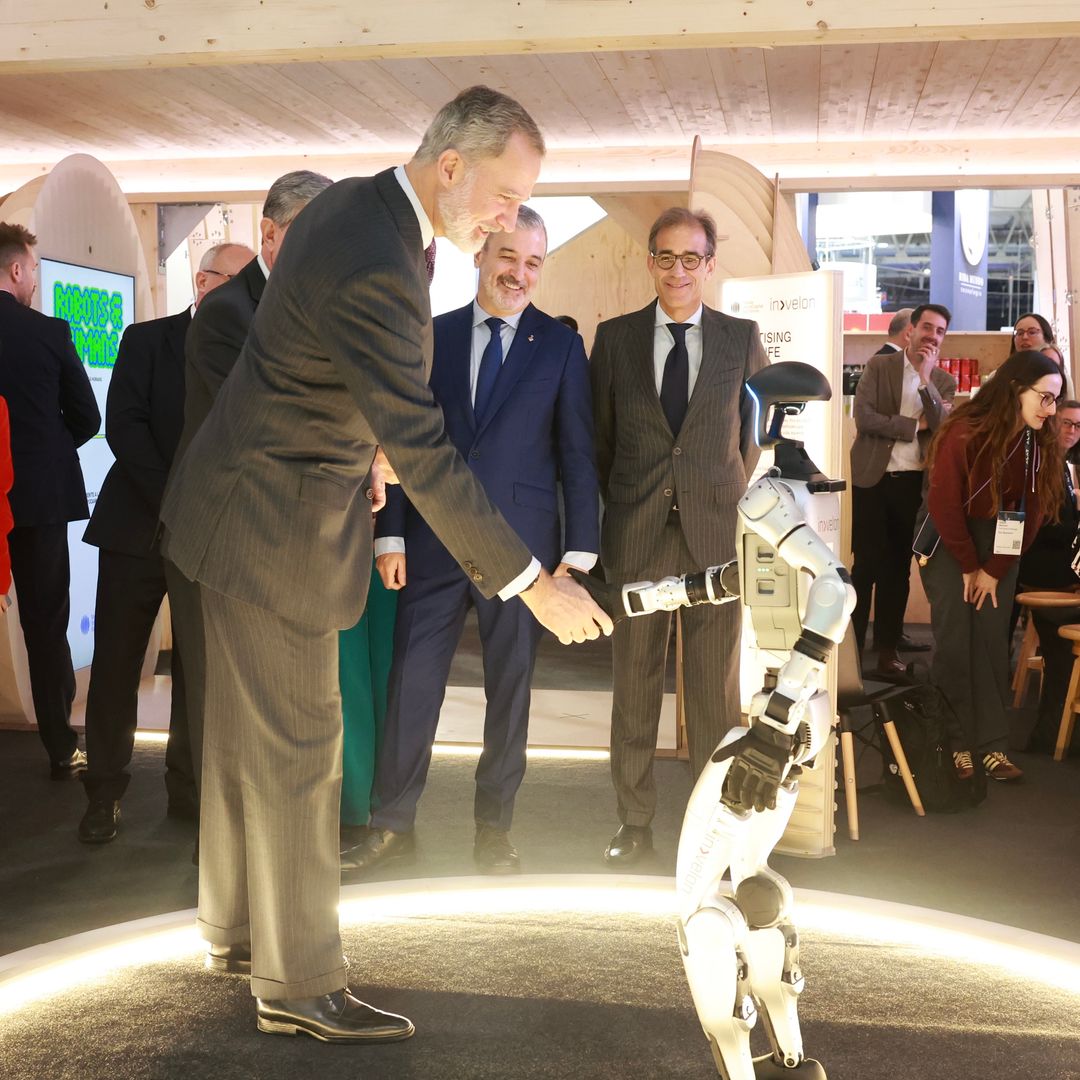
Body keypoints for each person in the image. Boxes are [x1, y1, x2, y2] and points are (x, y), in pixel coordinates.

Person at [159, 86, 612, 1042]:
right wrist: (532, 582)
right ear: (451, 166)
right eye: (503, 195)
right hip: (270, 526)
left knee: (244, 742)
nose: (507, 218)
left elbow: (317, 369)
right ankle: (299, 984)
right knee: (298, 749)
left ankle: (235, 930)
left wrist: (362, 457)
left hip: (240, 503)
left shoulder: (361, 209)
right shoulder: (378, 254)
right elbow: (426, 443)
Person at [353, 207, 599, 875]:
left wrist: (576, 559)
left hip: (524, 556)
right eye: (508, 258)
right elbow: (403, 443)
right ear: (480, 257)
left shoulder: (559, 346)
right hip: (432, 543)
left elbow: (577, 453)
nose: (519, 274)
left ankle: (495, 828)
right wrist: (390, 536)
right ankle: (391, 822)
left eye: (532, 263)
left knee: (509, 690)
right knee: (412, 683)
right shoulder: (433, 336)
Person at [590, 206, 767, 866]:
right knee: (634, 684)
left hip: (715, 538)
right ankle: (634, 822)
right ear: (650, 262)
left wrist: (717, 492)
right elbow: (600, 441)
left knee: (715, 693)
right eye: (666, 257)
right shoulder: (614, 340)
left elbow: (753, 438)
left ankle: (711, 824)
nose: (678, 270)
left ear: (710, 265)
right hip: (638, 536)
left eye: (691, 258)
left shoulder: (740, 338)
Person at [163, 171, 332, 843]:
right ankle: (221, 846)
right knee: (212, 693)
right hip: (217, 537)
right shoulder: (229, 313)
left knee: (265, 694)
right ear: (269, 234)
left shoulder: (309, 304)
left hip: (279, 537)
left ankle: (256, 833)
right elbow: (267, 422)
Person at [76, 242, 254, 845]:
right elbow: (123, 426)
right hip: (137, 528)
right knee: (118, 665)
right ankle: (102, 790)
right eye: (237, 279)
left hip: (209, 538)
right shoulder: (146, 339)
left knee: (199, 673)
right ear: (203, 282)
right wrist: (178, 495)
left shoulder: (251, 350)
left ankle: (190, 792)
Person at [919, 350, 1065, 785]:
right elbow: (943, 505)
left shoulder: (1036, 442)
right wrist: (968, 565)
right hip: (950, 544)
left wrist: (995, 569)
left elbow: (1030, 513)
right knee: (955, 641)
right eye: (1044, 397)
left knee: (989, 639)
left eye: (1055, 399)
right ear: (1016, 389)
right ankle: (956, 743)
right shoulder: (963, 432)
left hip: (1001, 546)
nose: (1050, 409)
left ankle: (991, 746)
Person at [0, 222, 100, 777]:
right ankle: (62, 746)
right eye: (34, 268)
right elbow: (88, 417)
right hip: (36, 500)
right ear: (17, 270)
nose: (34, 278)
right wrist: (43, 447)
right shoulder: (48, 332)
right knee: (45, 623)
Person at [850, 304, 956, 675]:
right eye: (927, 326)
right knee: (864, 567)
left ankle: (886, 651)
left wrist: (925, 379)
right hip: (871, 479)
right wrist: (913, 426)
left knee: (897, 569)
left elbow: (942, 428)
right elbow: (863, 418)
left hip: (912, 483)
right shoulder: (880, 366)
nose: (932, 335)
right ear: (911, 328)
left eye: (940, 331)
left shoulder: (943, 381)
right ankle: (851, 646)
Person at [1017, 400, 1080, 754]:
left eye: (1077, 426)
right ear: (1051, 424)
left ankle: (1057, 731)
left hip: (1057, 566)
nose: (1071, 431)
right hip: (1042, 570)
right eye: (1066, 423)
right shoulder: (1040, 466)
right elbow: (1042, 529)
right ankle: (1053, 733)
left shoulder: (1062, 466)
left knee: (1064, 656)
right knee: (1062, 656)